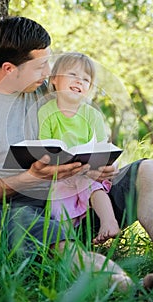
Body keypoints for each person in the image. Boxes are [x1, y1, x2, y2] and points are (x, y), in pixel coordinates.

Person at [0, 16, 153, 293]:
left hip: (71, 200)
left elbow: (83, 125)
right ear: (9, 69)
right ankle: (135, 290)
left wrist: (97, 166)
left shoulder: (47, 89)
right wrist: (29, 178)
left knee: (149, 170)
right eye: (40, 66)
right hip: (11, 214)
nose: (48, 72)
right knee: (41, 230)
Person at [38, 52, 120, 244]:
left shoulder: (92, 115)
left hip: (86, 172)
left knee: (91, 186)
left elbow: (102, 148)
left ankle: (109, 222)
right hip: (59, 175)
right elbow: (44, 146)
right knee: (58, 208)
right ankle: (70, 244)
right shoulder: (46, 112)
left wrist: (105, 165)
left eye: (85, 79)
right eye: (73, 75)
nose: (79, 81)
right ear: (55, 79)